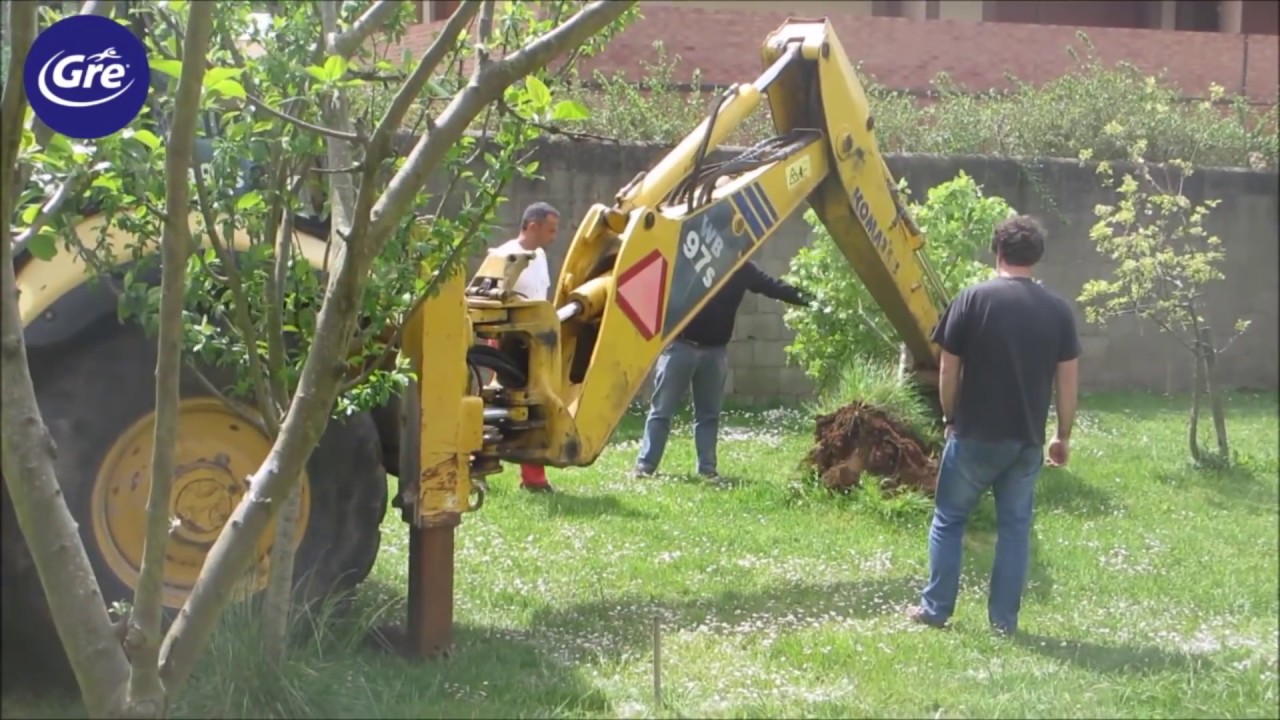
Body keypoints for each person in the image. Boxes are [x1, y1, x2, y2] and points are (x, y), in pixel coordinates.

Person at [907, 215, 1080, 637]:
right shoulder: (1058, 310)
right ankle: (1003, 623)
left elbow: (948, 369)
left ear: (997, 251)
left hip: (974, 435)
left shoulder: (972, 299)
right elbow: (1069, 378)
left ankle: (936, 610)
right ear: (1035, 257)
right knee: (1015, 530)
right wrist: (1062, 435)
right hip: (1025, 441)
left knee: (950, 519)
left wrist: (949, 417)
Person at [632, 260, 810, 480]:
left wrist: (812, 299)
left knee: (708, 415)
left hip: (715, 352)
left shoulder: (741, 268)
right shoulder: (695, 257)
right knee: (661, 410)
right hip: (680, 346)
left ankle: (707, 469)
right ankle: (645, 466)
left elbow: (772, 287)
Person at [488, 201, 561, 493]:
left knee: (533, 405)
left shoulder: (539, 255)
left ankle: (533, 477)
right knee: (508, 404)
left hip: (537, 340)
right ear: (533, 226)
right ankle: (484, 465)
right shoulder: (503, 256)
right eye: (551, 230)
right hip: (512, 342)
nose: (555, 236)